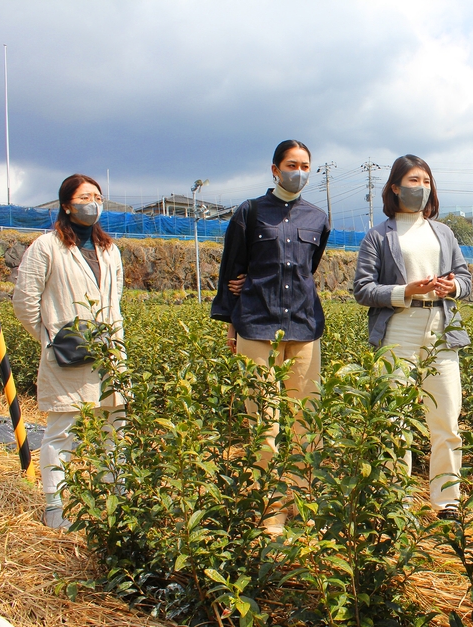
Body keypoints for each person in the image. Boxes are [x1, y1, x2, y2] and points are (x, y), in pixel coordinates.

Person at [210, 139, 330, 534]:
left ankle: (300, 501)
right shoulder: (250, 213)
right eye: (292, 164)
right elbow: (232, 271)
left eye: (306, 165)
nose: (299, 172)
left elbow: (308, 268)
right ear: (275, 169)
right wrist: (232, 325)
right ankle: (271, 509)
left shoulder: (317, 218)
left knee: (303, 421)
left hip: (304, 326)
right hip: (257, 325)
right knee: (264, 420)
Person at [353, 154, 471, 521]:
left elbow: (465, 278)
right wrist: (406, 290)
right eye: (412, 181)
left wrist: (452, 286)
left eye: (425, 181)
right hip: (398, 329)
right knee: (396, 419)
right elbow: (362, 288)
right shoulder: (379, 235)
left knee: (447, 419)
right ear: (394, 187)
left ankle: (447, 501)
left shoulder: (444, 232)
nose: (420, 187)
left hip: (440, 329)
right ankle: (398, 500)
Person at [13, 174, 125, 530]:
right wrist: (53, 340)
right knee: (63, 429)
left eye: (97, 196)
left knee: (116, 425)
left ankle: (115, 499)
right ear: (67, 205)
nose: (92, 203)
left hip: (108, 353)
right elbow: (24, 302)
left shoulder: (109, 249)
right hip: (68, 356)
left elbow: (116, 299)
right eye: (84, 197)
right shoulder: (46, 247)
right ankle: (55, 506)